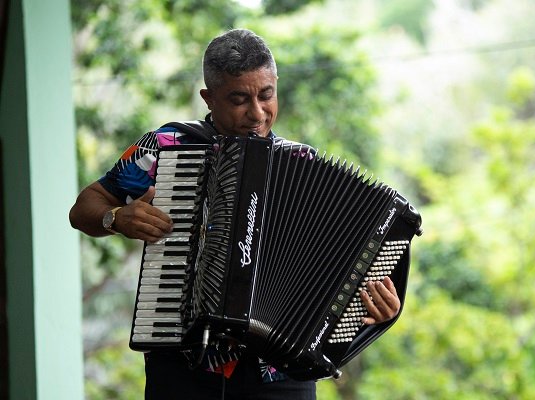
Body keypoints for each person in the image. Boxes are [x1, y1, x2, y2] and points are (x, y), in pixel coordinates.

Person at [69, 28, 401, 400]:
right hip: (183, 369)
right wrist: (115, 218)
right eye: (239, 99)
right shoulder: (167, 147)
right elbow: (85, 205)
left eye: (266, 95)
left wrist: (373, 311)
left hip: (280, 374)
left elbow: (337, 277)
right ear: (208, 98)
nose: (257, 113)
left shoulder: (300, 163)